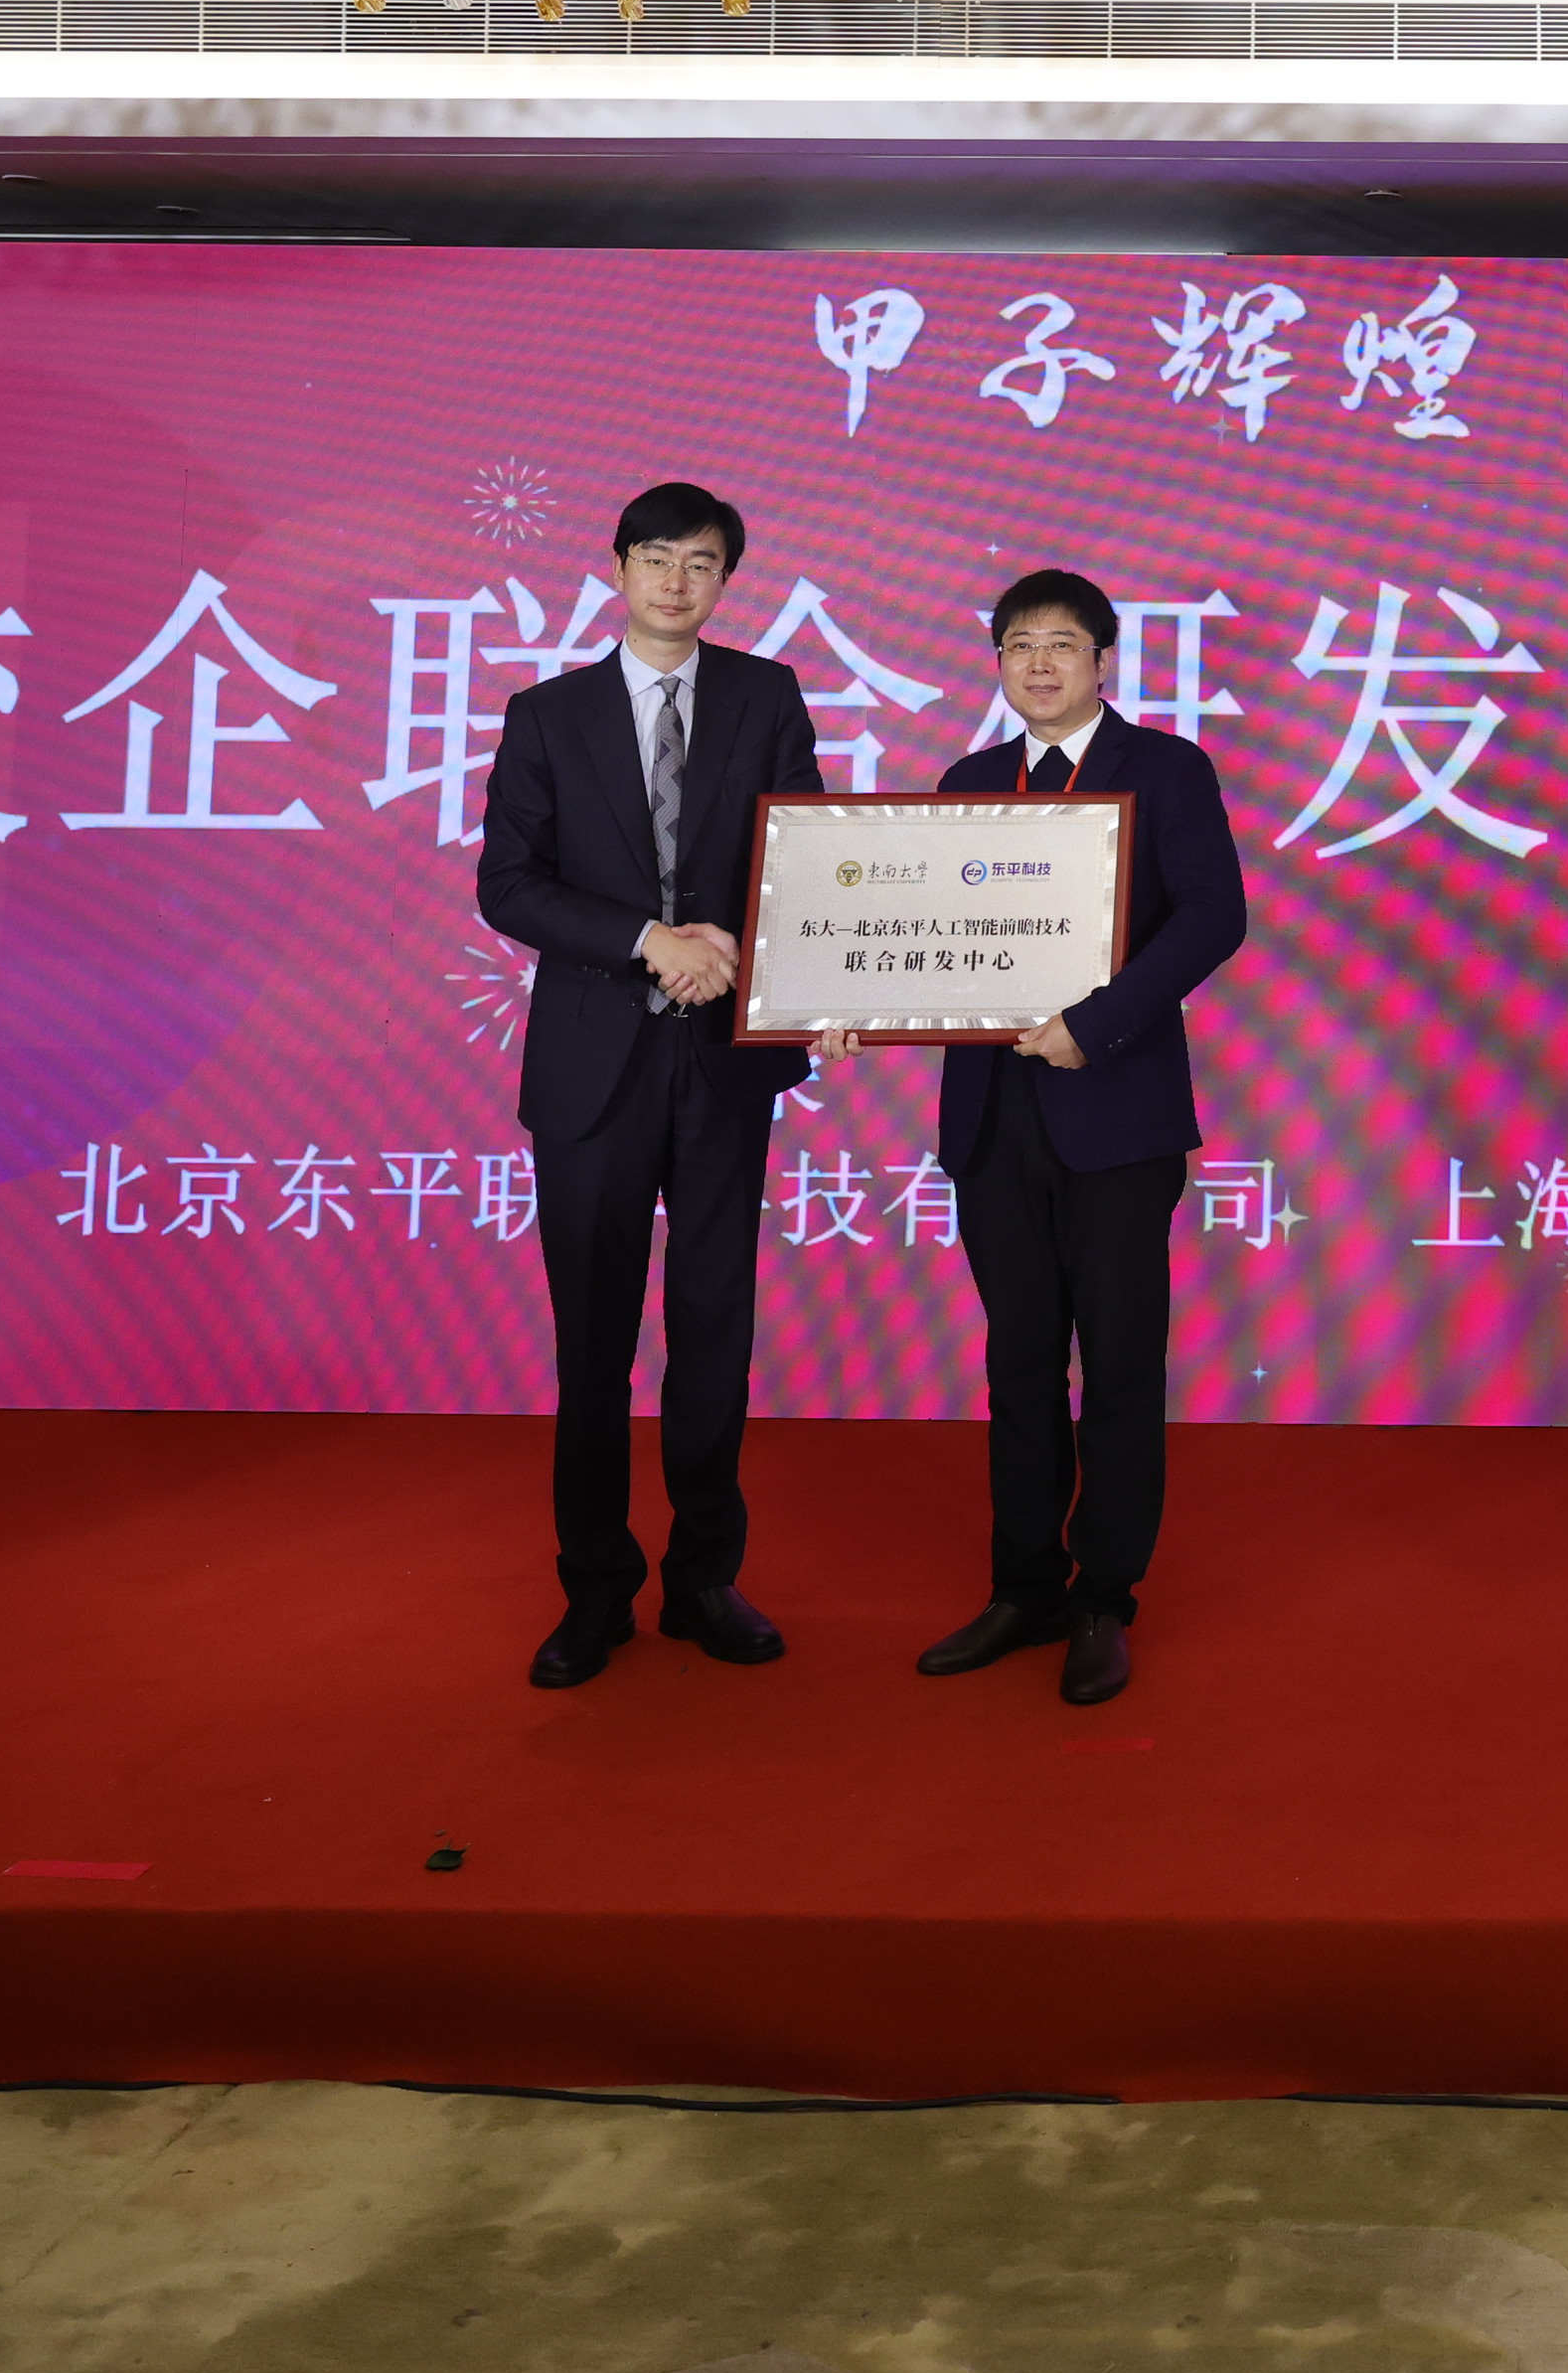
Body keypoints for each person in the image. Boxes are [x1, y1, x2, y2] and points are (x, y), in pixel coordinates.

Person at [475, 481, 820, 1691]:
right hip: (594, 1067)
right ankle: (594, 1589)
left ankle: (705, 1577)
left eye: (703, 562)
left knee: (714, 1331)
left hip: (725, 1058)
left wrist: (776, 964)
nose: (679, 580)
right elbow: (509, 883)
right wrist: (646, 938)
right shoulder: (548, 714)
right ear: (618, 567)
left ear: (727, 580)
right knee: (595, 1340)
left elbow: (806, 856)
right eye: (658, 557)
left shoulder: (766, 696)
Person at [899, 569, 1252, 1709]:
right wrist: (853, 999)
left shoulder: (1165, 768)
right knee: (1017, 1362)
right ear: (998, 663)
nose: (1039, 663)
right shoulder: (967, 781)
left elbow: (1214, 916)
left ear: (1105, 660)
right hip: (990, 1115)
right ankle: (1024, 1586)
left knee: (1119, 1363)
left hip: (1116, 1111)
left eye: (1062, 643)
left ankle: (1105, 1593)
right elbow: (924, 933)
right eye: (1018, 644)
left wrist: (1093, 1026)